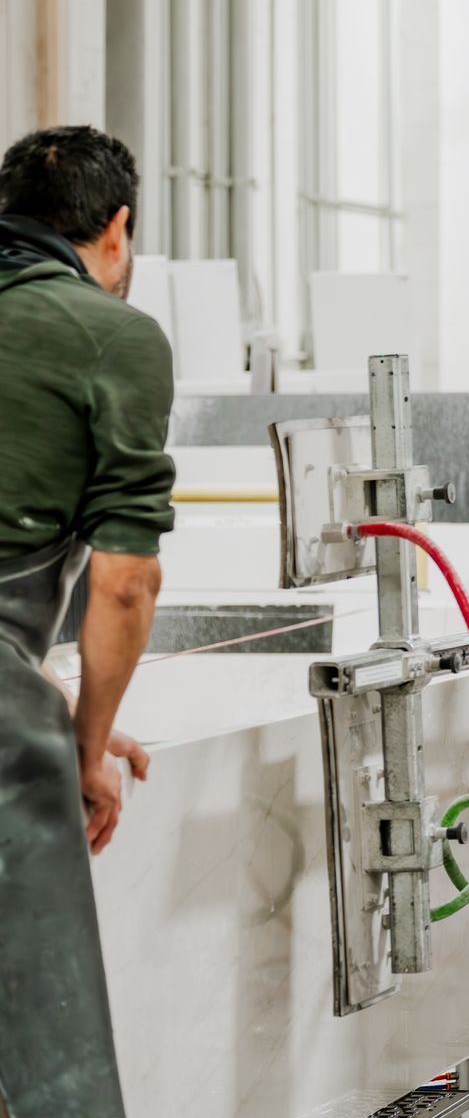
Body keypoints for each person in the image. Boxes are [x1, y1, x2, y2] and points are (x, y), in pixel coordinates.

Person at [0, 125, 174, 1118]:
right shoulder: (109, 334)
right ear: (114, 231)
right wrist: (81, 741)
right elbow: (122, 585)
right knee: (44, 1058)